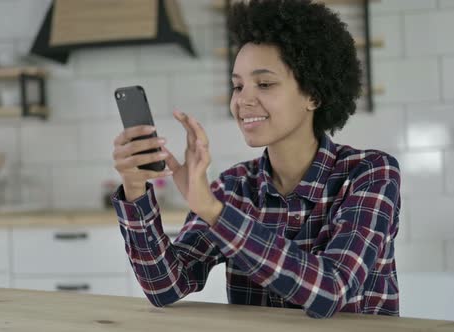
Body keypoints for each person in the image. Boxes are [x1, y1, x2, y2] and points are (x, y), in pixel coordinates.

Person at [111, 0, 401, 319]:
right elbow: (165, 285)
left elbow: (332, 290)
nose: (243, 100)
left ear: (313, 95)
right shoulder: (235, 186)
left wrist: (213, 211)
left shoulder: (370, 172)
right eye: (238, 86)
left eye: (264, 83)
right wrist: (135, 188)